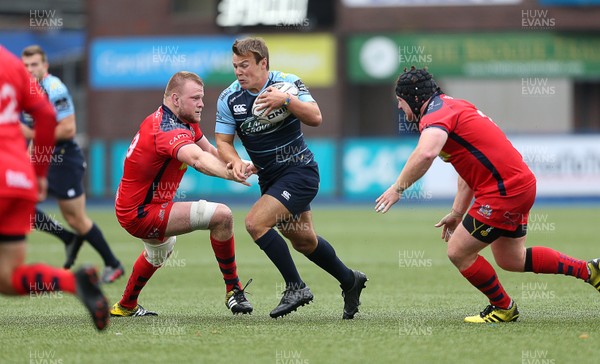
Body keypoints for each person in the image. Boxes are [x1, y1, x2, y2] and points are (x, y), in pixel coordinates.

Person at [376, 66, 600, 323]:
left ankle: (503, 308)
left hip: (504, 192)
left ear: (414, 99)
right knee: (512, 258)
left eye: (400, 102)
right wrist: (458, 213)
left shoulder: (434, 117)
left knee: (458, 251)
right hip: (519, 186)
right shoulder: (452, 105)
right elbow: (467, 170)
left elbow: (425, 153)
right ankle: (590, 270)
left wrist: (397, 188)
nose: (399, 108)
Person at [215, 37, 367, 319]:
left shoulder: (288, 83)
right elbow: (223, 141)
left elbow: (316, 117)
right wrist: (235, 162)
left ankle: (295, 286)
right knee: (304, 241)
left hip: (299, 172)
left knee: (254, 223)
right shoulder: (229, 98)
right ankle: (350, 280)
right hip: (270, 180)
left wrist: (286, 100)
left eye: (245, 65)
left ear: (264, 63)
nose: (238, 71)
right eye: (235, 66)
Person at [110, 71, 253, 317]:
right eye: (196, 98)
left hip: (135, 204)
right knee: (222, 216)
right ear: (175, 99)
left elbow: (208, 150)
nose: (202, 103)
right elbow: (198, 160)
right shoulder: (166, 128)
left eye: (202, 97)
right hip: (141, 212)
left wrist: (244, 164)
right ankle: (234, 291)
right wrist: (234, 175)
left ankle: (125, 306)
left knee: (158, 252)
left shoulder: (180, 119)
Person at [0, 45, 109, 330]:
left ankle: (99, 256)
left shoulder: (46, 81)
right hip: (18, 179)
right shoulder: (13, 66)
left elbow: (60, 124)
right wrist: (37, 174)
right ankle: (74, 282)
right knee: (7, 277)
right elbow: (47, 117)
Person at [20, 45, 124, 282]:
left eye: (34, 64)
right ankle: (68, 239)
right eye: (25, 65)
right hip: (43, 157)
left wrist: (30, 136)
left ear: (45, 66)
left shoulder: (54, 88)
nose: (29, 69)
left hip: (64, 159)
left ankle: (113, 263)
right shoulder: (27, 90)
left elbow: (68, 128)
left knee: (77, 219)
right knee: (16, 201)